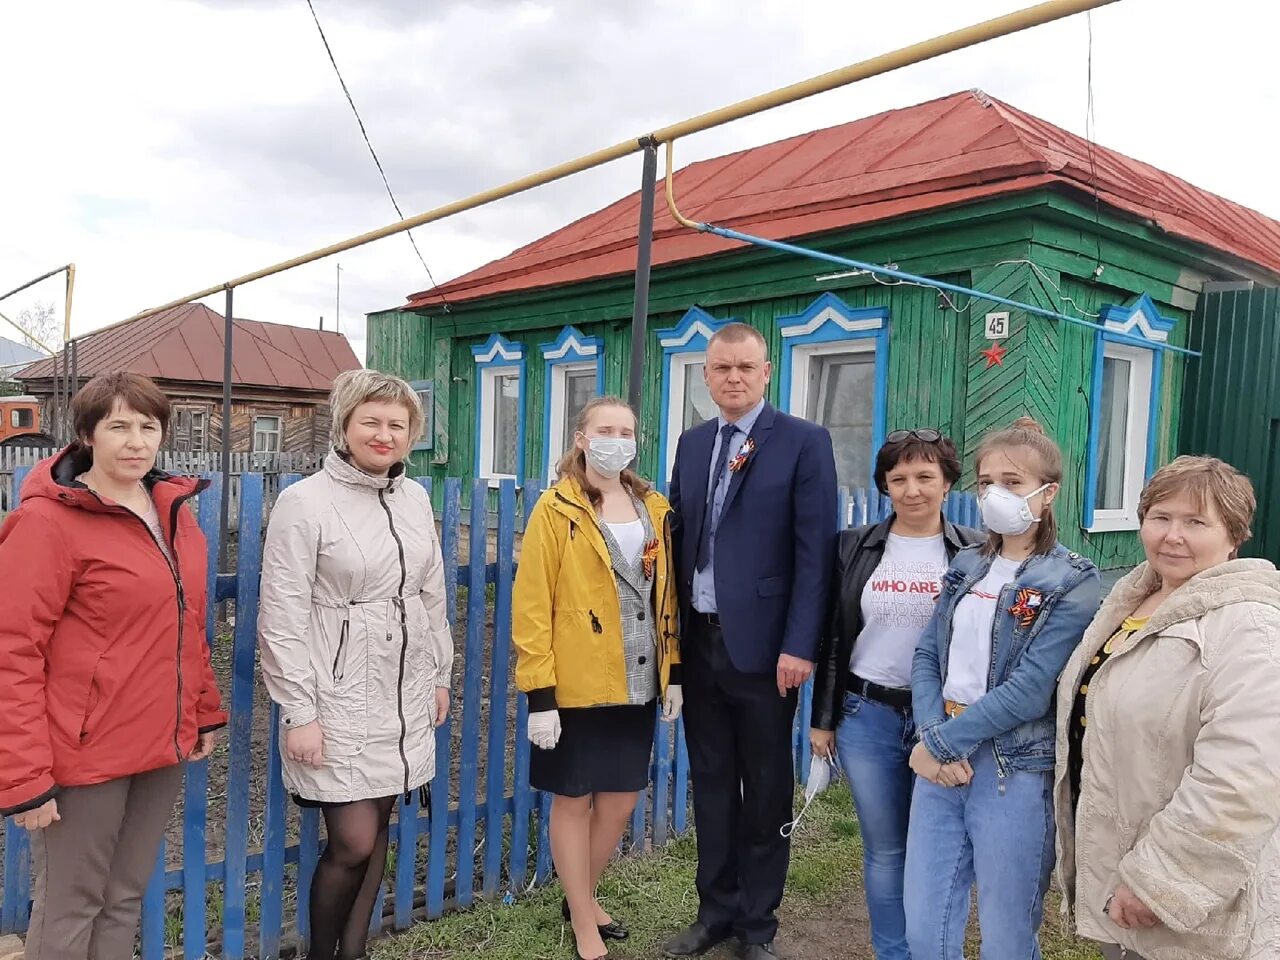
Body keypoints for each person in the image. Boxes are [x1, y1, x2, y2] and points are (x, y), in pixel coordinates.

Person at [0, 372, 226, 960]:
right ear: (86, 435)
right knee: (72, 905)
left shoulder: (172, 511)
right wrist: (24, 777)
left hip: (159, 741)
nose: (135, 441)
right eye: (118, 425)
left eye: (148, 426)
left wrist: (200, 711)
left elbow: (186, 622)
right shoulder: (48, 522)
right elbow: (11, 650)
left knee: (124, 895)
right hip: (84, 751)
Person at [257, 369, 453, 960]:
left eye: (398, 424)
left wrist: (440, 675)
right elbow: (282, 613)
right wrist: (299, 711)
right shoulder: (304, 503)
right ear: (344, 424)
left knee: (378, 830)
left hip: (404, 685)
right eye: (371, 421)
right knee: (352, 840)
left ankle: (355, 951)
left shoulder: (414, 497)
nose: (384, 434)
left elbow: (432, 592)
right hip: (337, 689)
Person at [1054, 456, 1280, 960]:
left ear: (1234, 535)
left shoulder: (1251, 630)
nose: (1172, 536)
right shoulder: (1132, 602)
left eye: (1196, 522)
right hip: (1123, 875)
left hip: (1194, 903)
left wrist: (1162, 882)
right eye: (1161, 517)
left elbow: (1241, 782)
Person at [662, 322, 837, 960]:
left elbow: (814, 556)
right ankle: (716, 912)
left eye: (745, 367)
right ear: (706, 376)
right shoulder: (691, 443)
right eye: (720, 368)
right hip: (701, 645)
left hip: (767, 653)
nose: (733, 377)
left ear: (767, 373)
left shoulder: (802, 442)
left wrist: (801, 646)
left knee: (765, 789)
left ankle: (758, 925)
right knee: (710, 783)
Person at [905, 417, 1101, 960]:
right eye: (986, 481)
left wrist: (941, 745)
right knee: (926, 927)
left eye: (1012, 482)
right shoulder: (968, 564)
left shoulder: (1074, 580)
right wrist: (930, 736)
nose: (995, 494)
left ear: (1048, 492)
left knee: (1007, 936)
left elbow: (1031, 688)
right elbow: (927, 655)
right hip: (939, 757)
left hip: (1011, 768)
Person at [513, 396, 682, 960]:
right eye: (605, 430)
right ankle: (584, 918)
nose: (617, 439)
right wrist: (541, 696)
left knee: (621, 799)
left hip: (638, 679)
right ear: (582, 438)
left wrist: (673, 670)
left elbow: (668, 595)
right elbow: (533, 604)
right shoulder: (555, 509)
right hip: (574, 685)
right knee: (574, 799)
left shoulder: (651, 505)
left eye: (626, 430)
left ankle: (577, 896)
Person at [810, 430, 982, 960]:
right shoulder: (851, 546)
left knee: (938, 849)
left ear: (948, 483)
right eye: (899, 478)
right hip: (868, 715)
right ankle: (894, 953)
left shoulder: (975, 550)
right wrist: (824, 718)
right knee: (886, 849)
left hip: (945, 722)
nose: (912, 490)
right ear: (885, 485)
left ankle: (934, 946)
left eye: (925, 477)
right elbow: (832, 635)